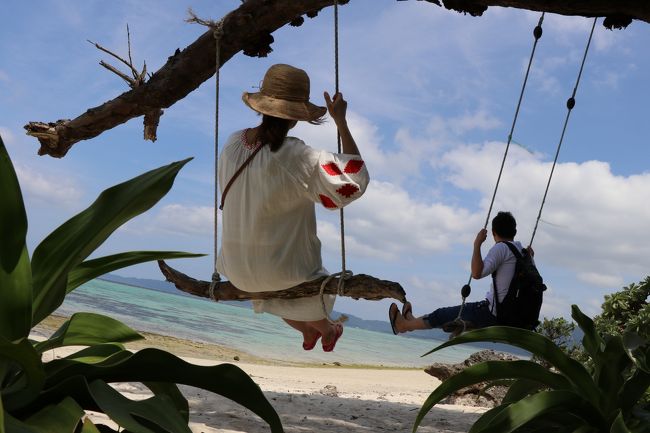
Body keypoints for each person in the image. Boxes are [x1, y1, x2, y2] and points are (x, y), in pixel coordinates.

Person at [216, 64, 369, 352]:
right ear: (298, 118)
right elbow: (353, 182)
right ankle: (327, 329)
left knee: (273, 281)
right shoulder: (297, 156)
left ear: (260, 106)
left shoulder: (233, 142)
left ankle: (309, 333)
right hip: (283, 271)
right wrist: (341, 122)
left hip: (235, 269)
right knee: (299, 277)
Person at [389, 211, 534, 334]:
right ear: (514, 232)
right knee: (445, 316)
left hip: (491, 314)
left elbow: (477, 273)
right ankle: (412, 321)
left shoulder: (502, 248)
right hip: (514, 318)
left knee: (442, 315)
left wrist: (477, 244)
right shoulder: (525, 254)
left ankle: (403, 326)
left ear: (494, 233)